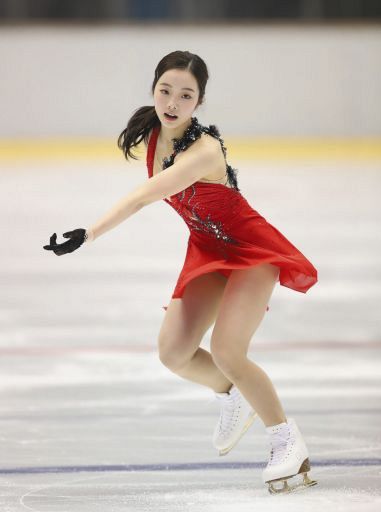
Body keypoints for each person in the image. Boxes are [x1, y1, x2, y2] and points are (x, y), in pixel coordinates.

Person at [43, 50, 318, 494]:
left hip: (250, 250)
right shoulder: (152, 133)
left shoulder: (204, 149)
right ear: (154, 89)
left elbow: (143, 197)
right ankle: (232, 395)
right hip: (207, 248)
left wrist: (89, 233)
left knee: (229, 352)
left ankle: (287, 441)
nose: (172, 102)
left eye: (185, 95)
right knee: (173, 352)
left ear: (199, 102)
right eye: (165, 91)